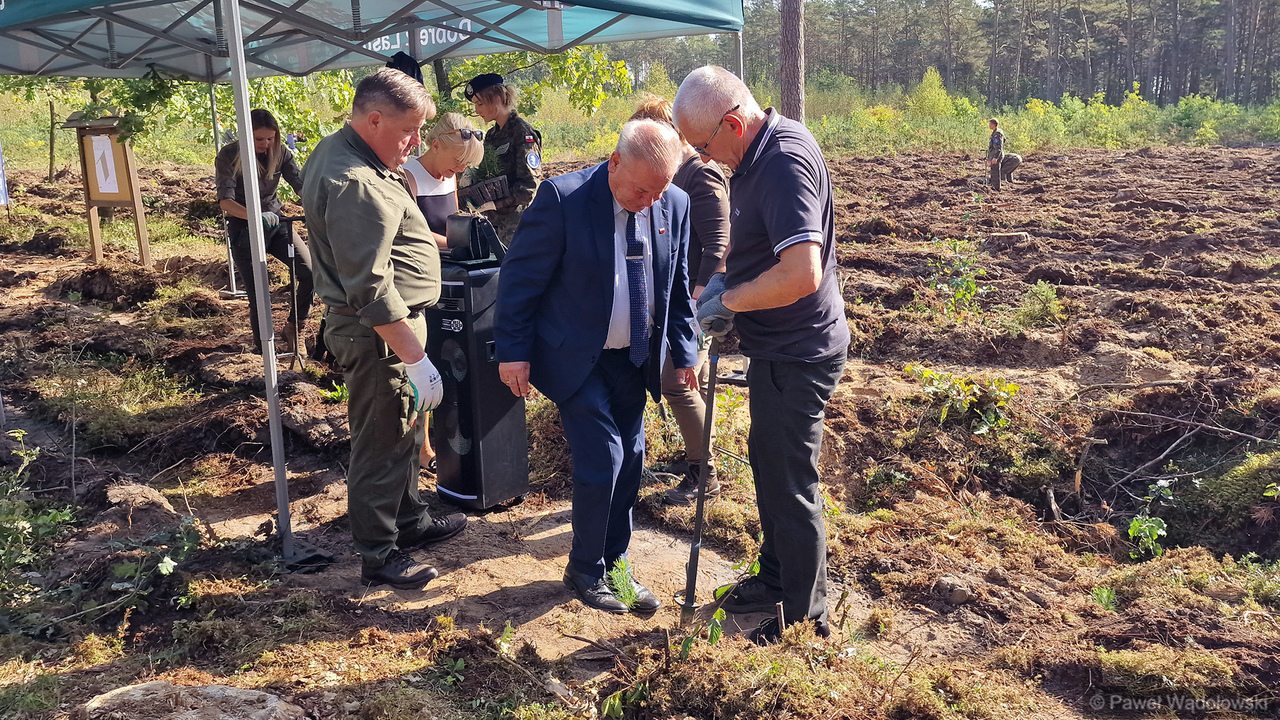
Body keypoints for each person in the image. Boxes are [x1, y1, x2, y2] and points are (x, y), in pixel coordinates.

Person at [673, 66, 850, 644]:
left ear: (731, 122)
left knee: (790, 479)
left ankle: (804, 617)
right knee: (768, 466)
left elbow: (801, 272)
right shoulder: (757, 155)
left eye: (703, 147)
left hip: (799, 350)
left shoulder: (782, 163)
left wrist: (733, 302)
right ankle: (776, 577)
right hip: (777, 347)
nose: (706, 159)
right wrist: (723, 286)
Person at [494, 120, 698, 614]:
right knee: (603, 458)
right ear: (614, 162)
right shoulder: (563, 200)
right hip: (574, 358)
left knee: (632, 459)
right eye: (642, 189)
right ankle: (585, 568)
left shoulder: (675, 204)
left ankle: (616, 561)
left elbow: (677, 281)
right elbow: (519, 281)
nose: (650, 200)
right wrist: (512, 351)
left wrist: (685, 349)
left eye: (660, 189)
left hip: (635, 358)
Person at [301, 68, 468, 590]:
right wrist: (416, 359)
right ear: (374, 119)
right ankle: (378, 551)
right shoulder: (355, 182)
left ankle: (410, 520)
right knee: (381, 441)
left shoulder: (348, 154)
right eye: (408, 131)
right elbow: (369, 289)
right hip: (378, 336)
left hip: (389, 331)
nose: (416, 143)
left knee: (406, 431)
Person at [627, 98, 731, 506]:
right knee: (694, 383)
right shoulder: (676, 175)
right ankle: (698, 452)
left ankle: (704, 473)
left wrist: (692, 300)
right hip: (681, 297)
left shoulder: (700, 175)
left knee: (677, 381)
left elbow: (719, 245)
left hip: (698, 297)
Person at [401, 113, 486, 472]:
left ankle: (444, 437)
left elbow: (452, 222)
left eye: (464, 166)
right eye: (456, 163)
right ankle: (419, 448)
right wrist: (459, 243)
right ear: (435, 145)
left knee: (447, 358)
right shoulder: (408, 176)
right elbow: (414, 233)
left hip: (448, 275)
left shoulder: (448, 177)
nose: (457, 172)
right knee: (421, 360)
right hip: (418, 278)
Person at [214, 108, 314, 354]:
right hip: (243, 228)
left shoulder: (281, 153)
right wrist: (254, 215)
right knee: (260, 293)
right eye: (259, 139)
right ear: (246, 135)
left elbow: (301, 186)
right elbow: (225, 202)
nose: (266, 144)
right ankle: (265, 350)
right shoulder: (228, 156)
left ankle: (295, 327)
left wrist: (318, 206)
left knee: (310, 272)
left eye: (271, 138)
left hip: (275, 223)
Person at [463, 73, 543, 244]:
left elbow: (529, 188)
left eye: (480, 103)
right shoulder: (492, 135)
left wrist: (495, 204)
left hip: (517, 226)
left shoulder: (523, 133)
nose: (477, 110)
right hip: (494, 225)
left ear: (497, 98)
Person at [987, 118, 1022, 190]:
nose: (989, 125)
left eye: (990, 124)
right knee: (994, 171)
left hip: (996, 156)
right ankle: (995, 186)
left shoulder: (997, 134)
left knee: (996, 172)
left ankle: (996, 188)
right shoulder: (995, 132)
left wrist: (995, 157)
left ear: (993, 125)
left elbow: (998, 147)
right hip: (994, 155)